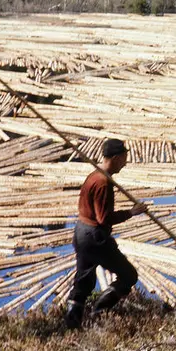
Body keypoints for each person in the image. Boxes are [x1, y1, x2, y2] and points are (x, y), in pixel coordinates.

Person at [64, 138, 147, 329]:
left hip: (81, 233)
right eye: (124, 159)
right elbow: (103, 218)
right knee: (128, 276)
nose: (125, 163)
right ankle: (100, 310)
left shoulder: (95, 176)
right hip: (94, 237)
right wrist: (131, 213)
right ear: (116, 158)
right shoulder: (102, 183)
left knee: (84, 281)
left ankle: (72, 325)